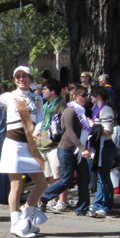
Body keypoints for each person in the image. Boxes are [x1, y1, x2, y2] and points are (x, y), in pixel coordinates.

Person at [0, 66, 47, 237]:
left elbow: (41, 119)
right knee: (16, 185)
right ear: (14, 80)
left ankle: (27, 216)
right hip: (13, 145)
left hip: (29, 145)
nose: (21, 79)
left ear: (30, 78)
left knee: (42, 184)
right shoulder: (9, 96)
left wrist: (37, 129)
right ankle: (16, 223)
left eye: (24, 76)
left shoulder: (37, 98)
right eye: (18, 77)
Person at [39, 86, 92, 216]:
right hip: (66, 149)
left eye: (87, 95)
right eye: (83, 95)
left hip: (77, 151)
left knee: (84, 177)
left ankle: (82, 208)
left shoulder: (81, 112)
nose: (86, 98)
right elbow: (70, 132)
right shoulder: (70, 110)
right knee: (67, 179)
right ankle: (44, 197)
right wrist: (82, 147)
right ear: (75, 96)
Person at [37, 78, 69, 212]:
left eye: (44, 89)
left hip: (54, 144)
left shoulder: (61, 105)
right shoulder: (45, 106)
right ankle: (52, 199)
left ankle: (63, 201)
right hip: (43, 144)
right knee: (49, 174)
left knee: (58, 174)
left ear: (52, 91)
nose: (42, 91)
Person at [88, 86, 116, 217]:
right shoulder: (97, 110)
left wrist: (92, 125)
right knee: (99, 177)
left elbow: (107, 131)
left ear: (98, 96)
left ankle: (106, 204)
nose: (90, 97)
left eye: (92, 95)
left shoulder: (106, 110)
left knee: (104, 177)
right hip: (99, 146)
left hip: (106, 146)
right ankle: (98, 204)